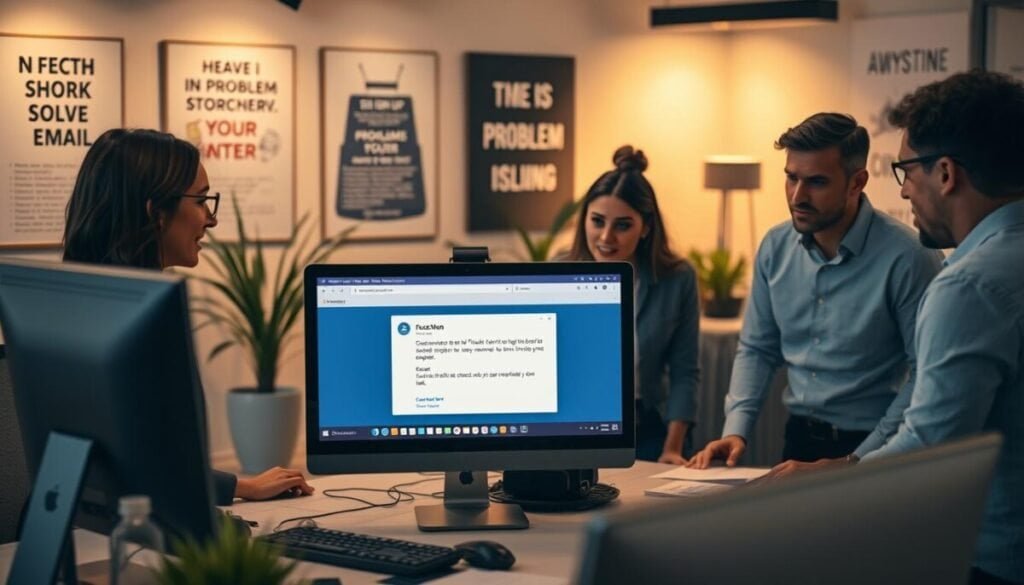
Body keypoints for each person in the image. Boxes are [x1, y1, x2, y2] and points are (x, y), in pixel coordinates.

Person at [773, 71, 1024, 585]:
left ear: (947, 174)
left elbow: (930, 445)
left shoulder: (968, 287)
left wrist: (837, 476)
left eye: (906, 170)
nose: (905, 190)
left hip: (992, 557)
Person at [62, 128, 313, 505]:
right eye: (201, 201)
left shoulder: (76, 307)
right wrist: (240, 488)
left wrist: (238, 486)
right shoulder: (141, 322)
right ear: (155, 213)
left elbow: (140, 462)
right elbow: (145, 469)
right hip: (132, 532)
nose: (210, 220)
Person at [689, 113, 943, 468]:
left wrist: (856, 460)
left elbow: (925, 375)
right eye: (791, 178)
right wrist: (736, 430)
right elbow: (758, 348)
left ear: (857, 183)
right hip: (798, 441)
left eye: (816, 182)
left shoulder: (909, 258)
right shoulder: (775, 246)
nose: (798, 195)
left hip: (876, 448)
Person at [566, 145, 700, 464]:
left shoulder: (677, 279)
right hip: (576, 425)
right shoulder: (559, 274)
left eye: (623, 225)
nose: (606, 237)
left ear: (646, 228)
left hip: (651, 430)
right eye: (597, 221)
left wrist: (673, 448)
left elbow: (685, 372)